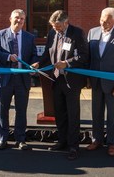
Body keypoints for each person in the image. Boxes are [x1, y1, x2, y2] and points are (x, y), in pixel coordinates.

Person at [33, 10, 89, 160]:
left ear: (66, 22)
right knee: (59, 113)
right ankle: (62, 141)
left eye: (58, 26)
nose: (55, 29)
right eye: (53, 26)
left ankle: (73, 146)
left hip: (71, 81)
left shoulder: (77, 33)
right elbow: (48, 53)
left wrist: (67, 63)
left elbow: (84, 56)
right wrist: (39, 63)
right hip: (56, 80)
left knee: (72, 114)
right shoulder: (52, 33)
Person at [0, 9, 39, 151]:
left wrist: (35, 63)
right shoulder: (1, 34)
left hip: (22, 80)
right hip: (5, 79)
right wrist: (7, 57)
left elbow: (34, 55)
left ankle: (20, 139)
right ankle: (2, 138)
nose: (19, 21)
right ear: (10, 18)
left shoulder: (29, 37)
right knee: (2, 110)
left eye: (22, 19)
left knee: (21, 110)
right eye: (17, 18)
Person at [87, 7, 114, 157]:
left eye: (106, 21)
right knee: (96, 113)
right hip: (96, 82)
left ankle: (112, 143)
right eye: (101, 20)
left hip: (113, 84)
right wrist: (87, 78)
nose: (103, 23)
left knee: (113, 115)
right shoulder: (92, 32)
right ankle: (96, 139)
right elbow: (89, 57)